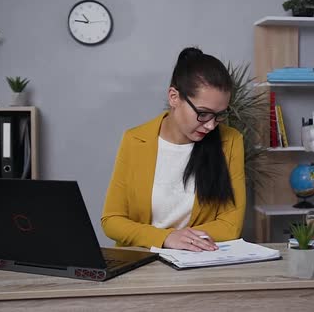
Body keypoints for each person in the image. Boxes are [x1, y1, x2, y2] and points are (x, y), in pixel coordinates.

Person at [101, 47, 246, 252]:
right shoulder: (135, 140)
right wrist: (166, 237)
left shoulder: (230, 142)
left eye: (219, 114)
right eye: (203, 113)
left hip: (200, 264)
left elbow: (230, 225)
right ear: (174, 97)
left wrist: (184, 241)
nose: (211, 125)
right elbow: (112, 220)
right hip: (141, 262)